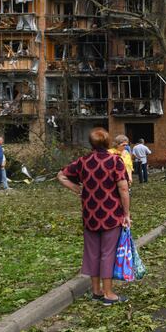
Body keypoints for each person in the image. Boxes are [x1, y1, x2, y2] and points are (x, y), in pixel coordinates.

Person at [57, 128, 131, 305]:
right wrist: (126, 213)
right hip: (111, 214)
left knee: (92, 252)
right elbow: (123, 188)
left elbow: (61, 175)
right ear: (107, 142)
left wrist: (77, 189)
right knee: (107, 253)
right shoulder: (115, 161)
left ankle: (96, 291)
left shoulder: (83, 161)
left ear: (91, 143)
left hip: (90, 215)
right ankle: (108, 294)